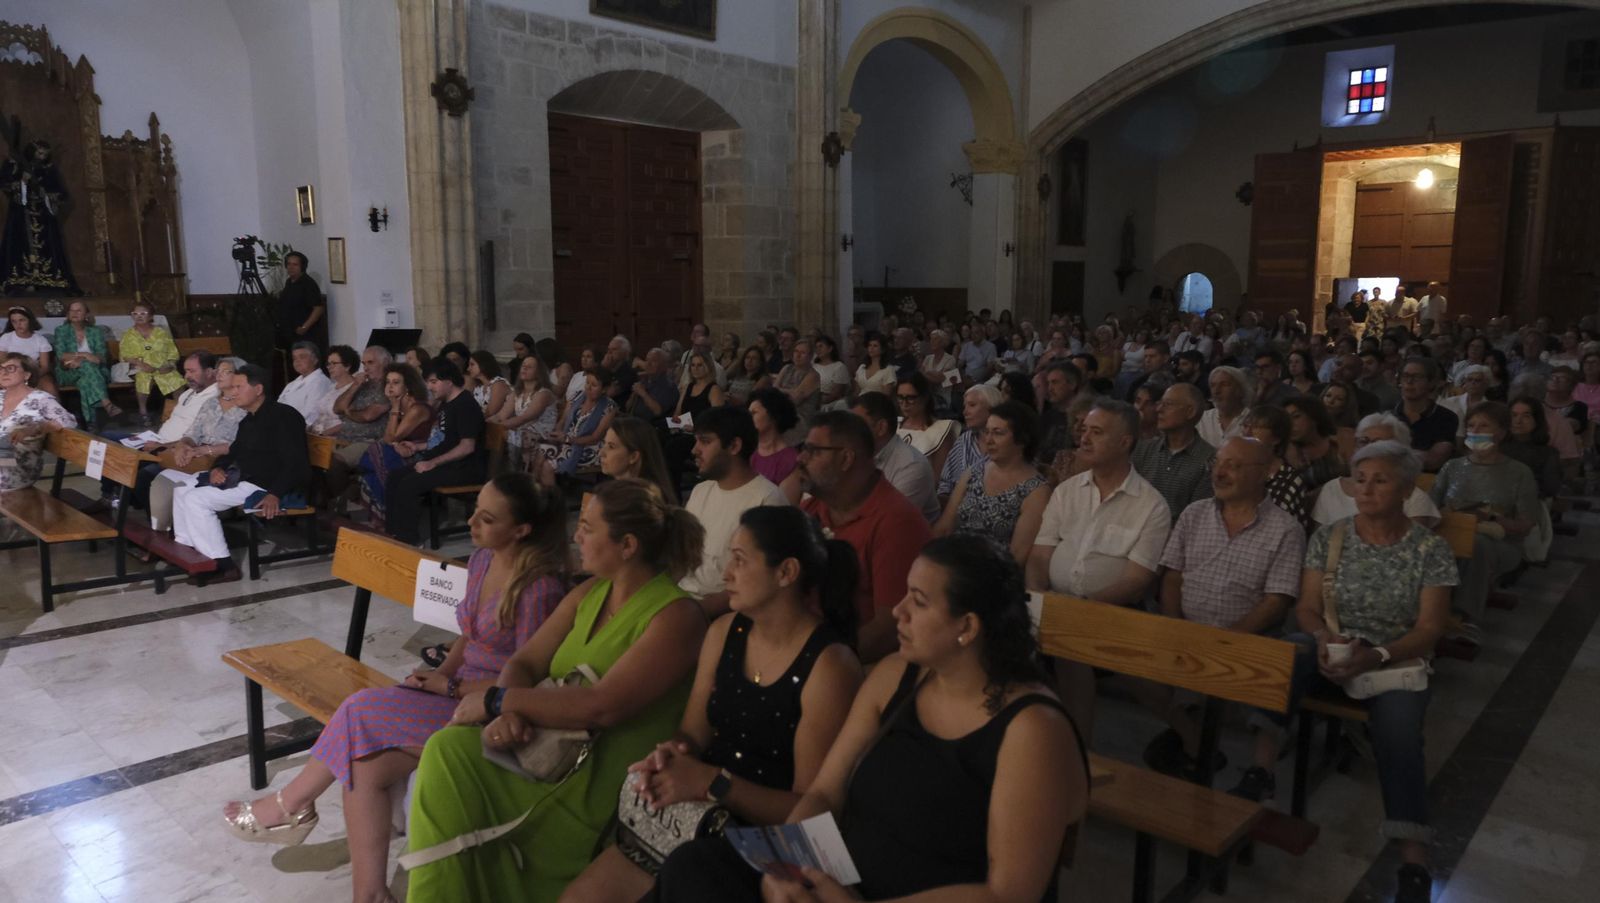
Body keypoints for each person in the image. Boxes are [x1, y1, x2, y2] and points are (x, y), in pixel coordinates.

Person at [648, 536, 1087, 903]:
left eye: (917, 601)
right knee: (695, 868)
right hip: (838, 881)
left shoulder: (1031, 729)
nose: (898, 611)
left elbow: (1009, 893)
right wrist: (786, 868)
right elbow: (824, 791)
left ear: (967, 627)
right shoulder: (898, 676)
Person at [222, 476, 569, 902]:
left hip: (486, 711)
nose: (473, 522)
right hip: (452, 692)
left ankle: (290, 805)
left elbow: (525, 679)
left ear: (522, 530)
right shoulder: (483, 560)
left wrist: (452, 686)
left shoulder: (539, 590)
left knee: (358, 709)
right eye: (475, 509)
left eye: (488, 518)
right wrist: (439, 675)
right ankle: (369, 894)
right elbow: (469, 637)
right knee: (361, 766)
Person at [404, 479, 707, 902]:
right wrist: (507, 713)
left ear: (628, 545)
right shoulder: (590, 592)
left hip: (593, 783)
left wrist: (496, 700)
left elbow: (604, 706)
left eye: (587, 527)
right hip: (544, 751)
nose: (576, 536)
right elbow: (525, 662)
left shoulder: (676, 616)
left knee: (450, 762)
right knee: (449, 751)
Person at [566, 506, 862, 902]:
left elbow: (809, 807)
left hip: (760, 846)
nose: (726, 575)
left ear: (786, 573)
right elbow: (692, 732)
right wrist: (672, 755)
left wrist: (714, 783)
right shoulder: (724, 632)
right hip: (695, 816)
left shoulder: (829, 665)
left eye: (740, 560)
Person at [1295, 440, 1457, 902]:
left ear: (1407, 490)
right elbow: (1307, 608)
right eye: (1360, 479)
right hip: (1334, 645)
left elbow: (1430, 627)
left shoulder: (1430, 548)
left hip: (1394, 660)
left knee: (1401, 733)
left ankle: (1413, 857)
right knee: (1283, 658)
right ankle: (1258, 774)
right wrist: (1325, 641)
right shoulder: (1331, 536)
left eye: (1380, 480)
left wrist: (1378, 654)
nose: (1365, 490)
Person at [1145, 437, 1306, 781]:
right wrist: (1176, 625)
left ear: (1263, 473)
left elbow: (1277, 600)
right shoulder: (1195, 513)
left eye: (1233, 465)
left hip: (1247, 639)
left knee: (1262, 666)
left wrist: (1228, 638)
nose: (1220, 471)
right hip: (1187, 629)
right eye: (1217, 463)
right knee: (1129, 660)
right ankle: (1194, 740)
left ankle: (1208, 748)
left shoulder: (1285, 529)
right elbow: (1172, 576)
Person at [1027, 400, 1171, 735]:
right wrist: (1036, 593)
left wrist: (1082, 609)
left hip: (1112, 612)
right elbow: (1038, 556)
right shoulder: (1067, 492)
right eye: (1084, 430)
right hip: (1053, 603)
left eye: (1097, 432)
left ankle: (1077, 746)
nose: (1084, 439)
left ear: (1125, 443)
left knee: (1072, 644)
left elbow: (1136, 581)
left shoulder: (1151, 506)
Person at [798, 411, 931, 662]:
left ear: (846, 458)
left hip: (861, 666)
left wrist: (814, 663)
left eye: (814, 451)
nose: (800, 459)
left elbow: (890, 627)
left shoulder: (897, 522)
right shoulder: (812, 509)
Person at [171, 364, 310, 580]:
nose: (233, 392)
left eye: (239, 386)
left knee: (196, 500)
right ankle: (191, 552)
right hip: (243, 477)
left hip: (263, 484)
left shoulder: (284, 416)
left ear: (258, 389)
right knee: (181, 489)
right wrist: (218, 467)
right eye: (232, 387)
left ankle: (223, 565)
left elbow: (296, 462)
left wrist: (274, 493)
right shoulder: (249, 420)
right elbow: (234, 452)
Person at [1430, 402, 1541, 619]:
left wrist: (1490, 517)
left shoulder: (1519, 472)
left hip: (1499, 542)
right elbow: (1430, 506)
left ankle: (1463, 615)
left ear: (1500, 432)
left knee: (1476, 545)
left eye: (1483, 426)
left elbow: (1525, 525)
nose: (1475, 431)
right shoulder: (1452, 467)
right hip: (1451, 532)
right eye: (1471, 426)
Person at [676, 406, 789, 616]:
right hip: (682, 601)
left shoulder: (767, 499)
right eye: (697, 440)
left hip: (723, 614)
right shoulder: (701, 490)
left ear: (734, 446)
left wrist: (694, 612)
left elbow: (761, 582)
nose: (695, 450)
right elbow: (681, 556)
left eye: (705, 442)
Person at [384, 359, 488, 545]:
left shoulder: (465, 405)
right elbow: (446, 440)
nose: (430, 387)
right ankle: (393, 534)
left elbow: (467, 446)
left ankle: (409, 541)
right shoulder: (447, 403)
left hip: (465, 468)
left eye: (434, 382)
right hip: (449, 463)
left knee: (410, 484)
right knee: (395, 477)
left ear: (449, 381)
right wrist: (418, 447)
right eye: (428, 383)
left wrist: (432, 463)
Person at [933, 400, 1049, 563]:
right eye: (986, 432)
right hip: (954, 562)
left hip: (994, 574)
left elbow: (1017, 555)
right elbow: (944, 527)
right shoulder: (975, 471)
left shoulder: (1036, 490)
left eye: (998, 433)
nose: (988, 440)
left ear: (1022, 439)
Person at [1312, 414, 1441, 527]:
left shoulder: (1413, 497)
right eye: (1364, 441)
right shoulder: (1331, 489)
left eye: (1380, 444)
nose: (1369, 448)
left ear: (1400, 451)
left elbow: (1413, 548)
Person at [356, 364, 435, 532]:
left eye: (396, 382)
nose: (389, 386)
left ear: (408, 386)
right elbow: (390, 439)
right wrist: (395, 441)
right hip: (401, 450)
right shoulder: (399, 406)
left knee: (376, 455)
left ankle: (385, 521)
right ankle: (384, 521)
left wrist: (395, 408)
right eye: (388, 382)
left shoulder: (417, 408)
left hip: (421, 454)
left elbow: (390, 437)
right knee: (373, 472)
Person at [0, 354, 76, 525]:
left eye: (10, 368)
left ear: (27, 375)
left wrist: (40, 426)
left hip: (17, 465)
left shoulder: (40, 399)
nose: (3, 372)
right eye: (1, 369)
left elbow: (68, 422)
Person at [324, 346, 396, 509]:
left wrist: (348, 411)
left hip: (370, 441)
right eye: (364, 363)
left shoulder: (389, 385)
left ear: (385, 363)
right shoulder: (363, 384)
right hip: (344, 438)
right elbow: (337, 407)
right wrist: (355, 385)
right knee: (312, 457)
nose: (366, 367)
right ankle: (335, 501)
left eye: (371, 362)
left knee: (333, 462)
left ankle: (344, 503)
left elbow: (368, 416)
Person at [1132, 382, 1215, 521]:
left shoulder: (1209, 459)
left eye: (1168, 404)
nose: (1159, 409)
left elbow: (1197, 516)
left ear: (1190, 412)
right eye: (1160, 403)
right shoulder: (1143, 450)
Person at [853, 391, 940, 522]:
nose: (849, 431)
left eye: (856, 425)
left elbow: (888, 521)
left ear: (881, 428)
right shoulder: (855, 455)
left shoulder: (912, 466)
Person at [1243, 405, 1312, 530]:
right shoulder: (1235, 470)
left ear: (1276, 438)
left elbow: (1296, 531)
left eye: (1256, 427)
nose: (1247, 433)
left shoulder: (1291, 480)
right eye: (1246, 426)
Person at [542, 366, 618, 479]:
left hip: (589, 447)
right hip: (567, 440)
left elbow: (595, 437)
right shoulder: (576, 396)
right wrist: (557, 433)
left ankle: (553, 493)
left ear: (603, 389)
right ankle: (540, 490)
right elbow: (563, 421)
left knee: (548, 465)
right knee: (539, 451)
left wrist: (568, 439)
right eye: (587, 382)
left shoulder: (610, 407)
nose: (588, 387)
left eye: (594, 385)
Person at [117, 301, 186, 424]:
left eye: (143, 313)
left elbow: (172, 352)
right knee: (143, 378)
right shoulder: (128, 334)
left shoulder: (161, 333)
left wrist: (170, 365)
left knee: (177, 380)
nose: (139, 316)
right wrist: (141, 365)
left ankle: (180, 411)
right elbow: (125, 355)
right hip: (138, 367)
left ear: (150, 316)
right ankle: (143, 412)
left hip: (161, 366)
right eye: (135, 313)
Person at [490, 354, 559, 476]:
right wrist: (485, 423)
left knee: (507, 433)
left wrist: (500, 426)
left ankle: (511, 476)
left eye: (529, 367)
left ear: (539, 372)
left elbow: (525, 418)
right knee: (494, 433)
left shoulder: (544, 394)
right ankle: (495, 477)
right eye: (523, 366)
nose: (524, 369)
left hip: (543, 435)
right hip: (523, 431)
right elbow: (501, 415)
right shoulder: (517, 393)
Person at [52, 299, 119, 424]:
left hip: (97, 372)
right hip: (68, 372)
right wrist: (85, 355)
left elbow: (101, 357)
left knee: (84, 382)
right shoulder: (61, 331)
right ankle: (106, 402)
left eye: (78, 310)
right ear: (68, 314)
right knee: (88, 365)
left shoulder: (95, 331)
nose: (74, 313)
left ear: (86, 314)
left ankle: (90, 423)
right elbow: (62, 355)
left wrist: (81, 360)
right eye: (71, 310)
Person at [937, 383, 1001, 503]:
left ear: (992, 408)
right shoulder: (964, 439)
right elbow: (945, 484)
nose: (965, 412)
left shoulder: (1009, 444)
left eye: (972, 405)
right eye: (964, 406)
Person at [1395, 357, 1458, 472]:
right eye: (1405, 376)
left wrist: (1390, 453)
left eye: (1417, 377)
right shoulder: (1389, 416)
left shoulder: (1447, 418)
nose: (1409, 381)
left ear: (1431, 383)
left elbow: (1433, 460)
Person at [598, 416, 678, 505]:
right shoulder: (613, 490)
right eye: (604, 443)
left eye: (611, 446)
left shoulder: (643, 501)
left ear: (633, 457)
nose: (601, 453)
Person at [893, 372, 958, 479]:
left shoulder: (941, 430)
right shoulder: (894, 425)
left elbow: (940, 478)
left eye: (911, 398)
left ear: (924, 398)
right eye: (900, 397)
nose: (904, 404)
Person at [748, 387, 801, 501]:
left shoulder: (790, 461)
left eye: (754, 413)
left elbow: (784, 509)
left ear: (773, 416)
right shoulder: (745, 450)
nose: (747, 418)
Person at [1503, 397, 1563, 499]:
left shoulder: (1548, 454)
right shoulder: (1496, 447)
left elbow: (1550, 489)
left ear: (1537, 420)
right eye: (1514, 415)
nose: (1518, 421)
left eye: (1526, 416)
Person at [1284, 394, 1346, 492]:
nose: (1290, 424)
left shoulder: (1338, 443)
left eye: (1296, 416)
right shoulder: (1284, 451)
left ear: (1313, 417)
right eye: (1286, 420)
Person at [275, 251, 327, 361]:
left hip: (305, 336)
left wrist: (304, 327)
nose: (291, 267)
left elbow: (318, 308)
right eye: (288, 264)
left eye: (295, 264)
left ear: (302, 266)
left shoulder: (308, 284)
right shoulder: (289, 282)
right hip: (290, 333)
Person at [275, 341, 333, 426]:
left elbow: (313, 414)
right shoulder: (291, 384)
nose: (297, 361)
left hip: (303, 431)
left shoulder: (320, 382)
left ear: (315, 360)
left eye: (302, 357)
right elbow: (278, 406)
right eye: (294, 358)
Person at [306, 344, 360, 435]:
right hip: (317, 434)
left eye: (334, 363)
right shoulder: (331, 387)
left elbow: (350, 422)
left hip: (335, 439)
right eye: (328, 364)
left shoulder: (355, 388)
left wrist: (324, 434)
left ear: (347, 366)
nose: (329, 367)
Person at [0, 306, 55, 393]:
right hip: (11, 373)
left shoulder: (40, 340)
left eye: (22, 320)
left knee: (49, 386)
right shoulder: (6, 338)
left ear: (30, 320)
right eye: (14, 321)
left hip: (34, 374)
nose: (18, 324)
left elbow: (45, 366)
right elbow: (1, 361)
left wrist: (31, 377)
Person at [1198, 365, 1250, 450]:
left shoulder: (1252, 420)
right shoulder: (1202, 419)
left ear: (1239, 390)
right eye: (1213, 385)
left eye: (1224, 384)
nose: (1216, 391)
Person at [774, 338, 822, 425]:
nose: (798, 355)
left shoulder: (813, 375)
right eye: (796, 351)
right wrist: (791, 391)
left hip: (800, 417)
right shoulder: (786, 368)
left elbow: (795, 399)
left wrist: (780, 390)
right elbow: (773, 391)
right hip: (779, 411)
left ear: (810, 356)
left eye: (803, 353)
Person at [628, 348, 679, 426]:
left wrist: (643, 393)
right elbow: (627, 407)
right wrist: (634, 394)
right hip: (634, 422)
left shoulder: (669, 386)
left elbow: (658, 411)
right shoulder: (644, 381)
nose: (648, 363)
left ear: (664, 366)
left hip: (652, 427)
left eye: (654, 361)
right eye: (647, 360)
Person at [854, 332, 898, 399]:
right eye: (869, 345)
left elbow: (886, 396)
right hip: (860, 402)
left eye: (875, 346)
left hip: (877, 404)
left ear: (883, 349)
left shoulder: (888, 369)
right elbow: (856, 392)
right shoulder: (862, 367)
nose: (871, 348)